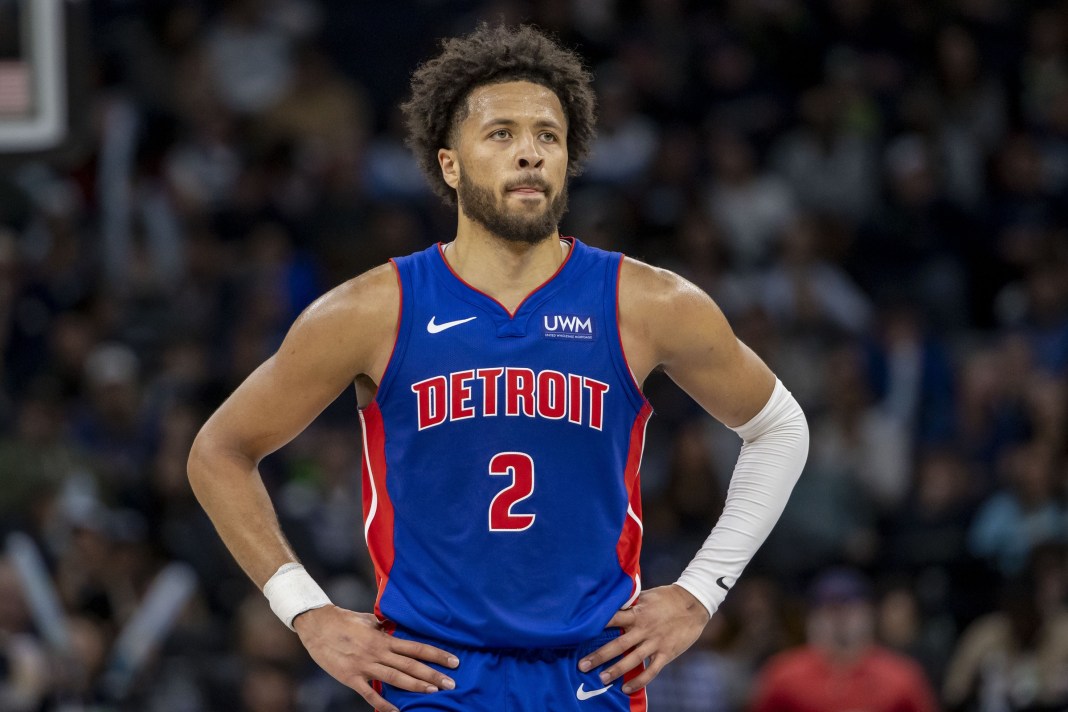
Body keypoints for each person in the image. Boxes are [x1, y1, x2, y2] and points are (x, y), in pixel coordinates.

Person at [187, 23, 809, 712]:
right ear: (449, 164)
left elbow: (779, 427)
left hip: (592, 674)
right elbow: (219, 450)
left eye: (548, 135)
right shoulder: (369, 311)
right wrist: (308, 613)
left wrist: (699, 593)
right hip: (433, 679)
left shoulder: (649, 303)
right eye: (502, 134)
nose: (530, 155)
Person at [749, 568, 940, 712]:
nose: (840, 621)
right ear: (812, 618)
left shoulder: (901, 677)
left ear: (869, 614)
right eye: (830, 610)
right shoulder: (783, 675)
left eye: (850, 610)